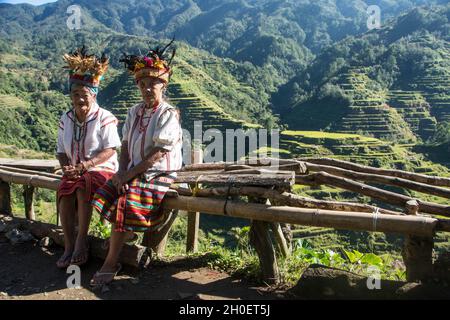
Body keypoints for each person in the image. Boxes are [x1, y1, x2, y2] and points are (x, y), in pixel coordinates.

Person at [90, 40, 183, 286]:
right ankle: (124, 236)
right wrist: (121, 172)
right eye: (142, 84)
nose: (147, 88)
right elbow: (125, 147)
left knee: (125, 200)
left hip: (158, 172)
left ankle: (110, 262)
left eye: (153, 83)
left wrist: (128, 176)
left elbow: (158, 154)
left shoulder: (168, 113)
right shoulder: (134, 112)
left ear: (163, 85)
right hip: (133, 170)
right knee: (104, 192)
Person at [56, 46, 121, 268]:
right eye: (75, 94)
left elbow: (111, 149)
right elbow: (60, 151)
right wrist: (67, 167)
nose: (79, 99)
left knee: (83, 184)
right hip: (76, 169)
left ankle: (81, 240)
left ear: (93, 95)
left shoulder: (105, 118)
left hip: (102, 169)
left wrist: (86, 165)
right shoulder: (65, 118)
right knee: (65, 188)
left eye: (84, 95)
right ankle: (68, 244)